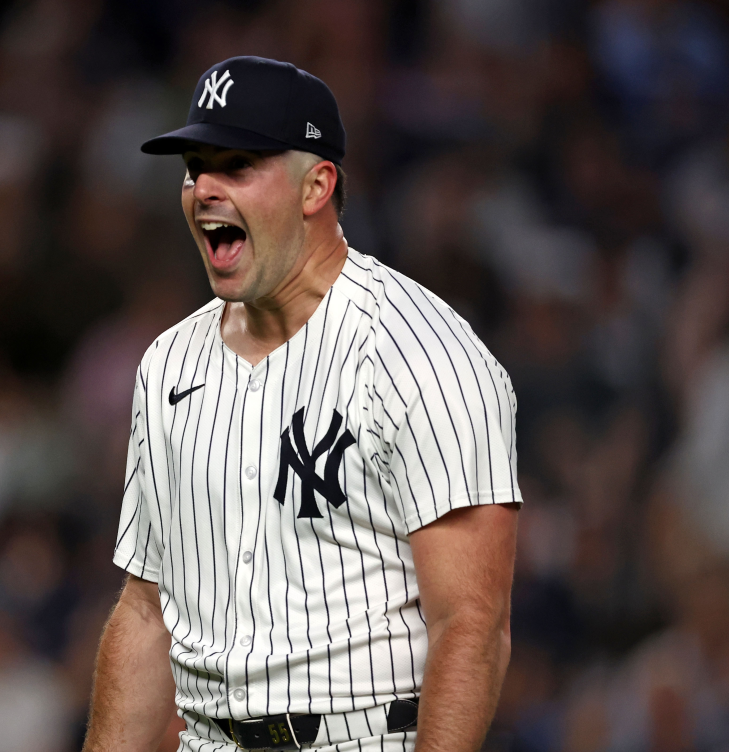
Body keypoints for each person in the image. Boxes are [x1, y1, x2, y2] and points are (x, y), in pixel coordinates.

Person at [83, 56, 522, 752]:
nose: (204, 189)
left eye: (237, 165)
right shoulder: (168, 364)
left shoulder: (423, 355)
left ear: (317, 183)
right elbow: (145, 615)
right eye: (195, 167)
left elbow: (471, 624)